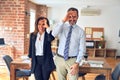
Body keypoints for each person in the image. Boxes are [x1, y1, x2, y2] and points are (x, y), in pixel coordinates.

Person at [52, 7, 86, 80]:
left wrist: (77, 63)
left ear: (78, 17)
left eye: (74, 17)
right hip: (60, 59)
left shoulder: (81, 31)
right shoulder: (62, 26)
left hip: (73, 61)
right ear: (67, 16)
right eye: (70, 16)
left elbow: (82, 49)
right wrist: (63, 20)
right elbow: (53, 34)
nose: (72, 19)